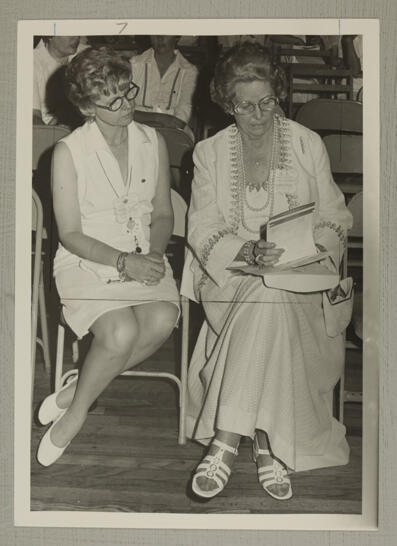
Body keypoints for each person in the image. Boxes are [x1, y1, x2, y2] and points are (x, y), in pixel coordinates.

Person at [181, 42, 353, 500]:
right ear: (226, 103)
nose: (259, 115)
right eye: (245, 105)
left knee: (273, 297)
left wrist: (314, 248)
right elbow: (202, 227)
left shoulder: (306, 143)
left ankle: (226, 441)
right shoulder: (209, 153)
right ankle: (265, 442)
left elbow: (337, 217)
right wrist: (249, 255)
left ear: (278, 94)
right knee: (264, 296)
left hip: (300, 283)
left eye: (267, 102)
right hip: (231, 279)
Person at [36, 46, 180, 467]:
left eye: (128, 92)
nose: (126, 106)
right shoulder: (67, 153)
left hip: (141, 251)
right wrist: (123, 261)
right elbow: (71, 234)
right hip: (88, 258)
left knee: (161, 319)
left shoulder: (152, 141)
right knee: (118, 333)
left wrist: (153, 252)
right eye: (111, 101)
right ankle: (77, 412)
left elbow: (164, 212)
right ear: (86, 107)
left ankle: (74, 390)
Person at [130, 35, 198, 135]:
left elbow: (183, 112)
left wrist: (166, 127)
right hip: (137, 130)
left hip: (172, 132)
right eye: (155, 33)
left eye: (166, 33)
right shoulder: (134, 64)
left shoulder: (189, 71)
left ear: (176, 37)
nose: (160, 38)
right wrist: (159, 118)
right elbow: (126, 109)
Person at [33, 36, 87, 125]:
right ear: (49, 34)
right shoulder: (32, 61)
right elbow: (33, 117)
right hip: (50, 130)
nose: (76, 37)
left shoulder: (84, 56)